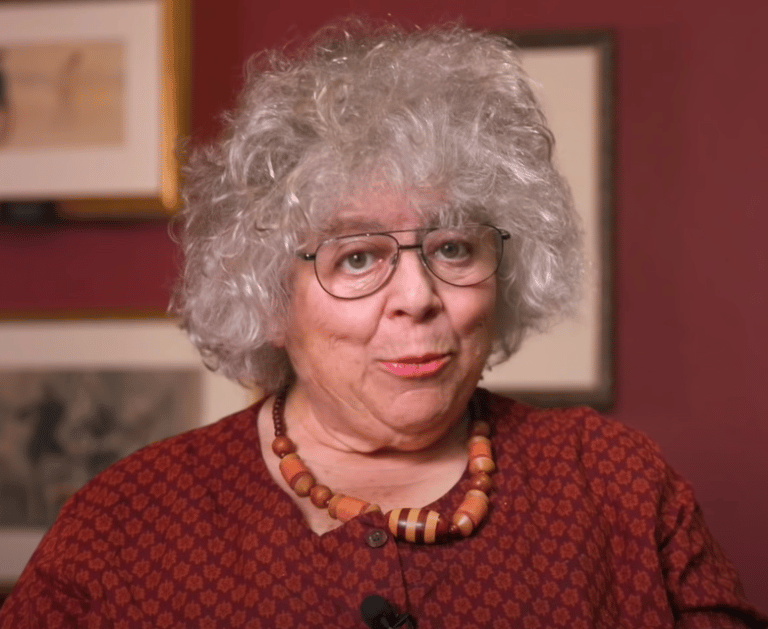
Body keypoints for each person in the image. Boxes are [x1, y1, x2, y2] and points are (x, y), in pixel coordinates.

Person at [1, 21, 766, 629]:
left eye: (454, 247)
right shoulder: (127, 523)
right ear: (270, 295)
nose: (417, 297)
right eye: (359, 257)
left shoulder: (619, 487)